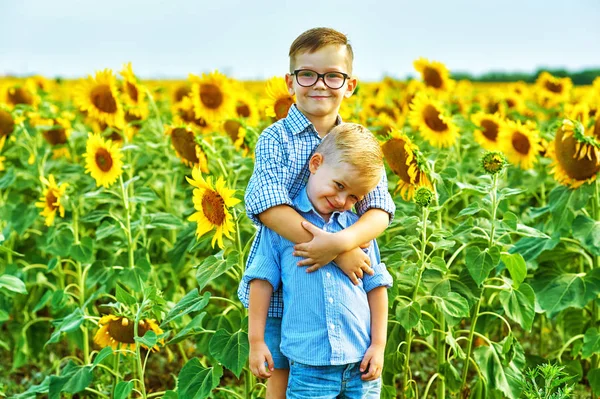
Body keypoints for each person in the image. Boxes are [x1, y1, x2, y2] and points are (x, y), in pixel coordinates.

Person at [237, 27, 396, 398]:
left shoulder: (360, 146)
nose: (320, 85)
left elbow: (379, 212)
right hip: (285, 272)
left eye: (333, 76)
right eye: (307, 74)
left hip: (343, 290)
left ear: (350, 84)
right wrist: (338, 252)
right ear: (290, 82)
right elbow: (269, 207)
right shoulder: (275, 138)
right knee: (280, 374)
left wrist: (341, 242)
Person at [243, 123, 392, 398]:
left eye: (354, 197)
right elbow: (261, 281)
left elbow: (376, 286)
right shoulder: (282, 227)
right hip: (310, 364)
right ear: (315, 163)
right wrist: (256, 341)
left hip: (360, 363)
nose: (341, 200)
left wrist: (379, 345)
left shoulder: (358, 230)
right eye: (338, 186)